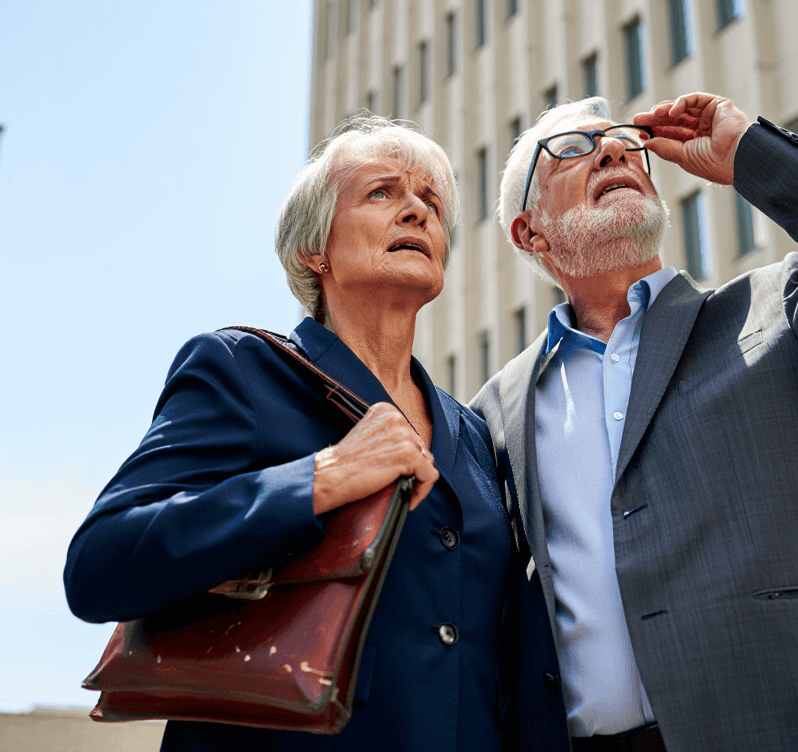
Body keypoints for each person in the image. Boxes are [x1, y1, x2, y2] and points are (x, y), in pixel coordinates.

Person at [471, 93, 798, 751]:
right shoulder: (494, 413)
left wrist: (752, 155)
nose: (617, 149)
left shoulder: (783, 312)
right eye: (573, 148)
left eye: (624, 142)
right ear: (531, 232)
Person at [64, 115, 565, 751]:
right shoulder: (241, 370)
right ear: (314, 250)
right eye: (381, 192)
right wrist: (322, 477)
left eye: (431, 202)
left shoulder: (470, 432)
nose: (416, 210)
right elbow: (100, 563)